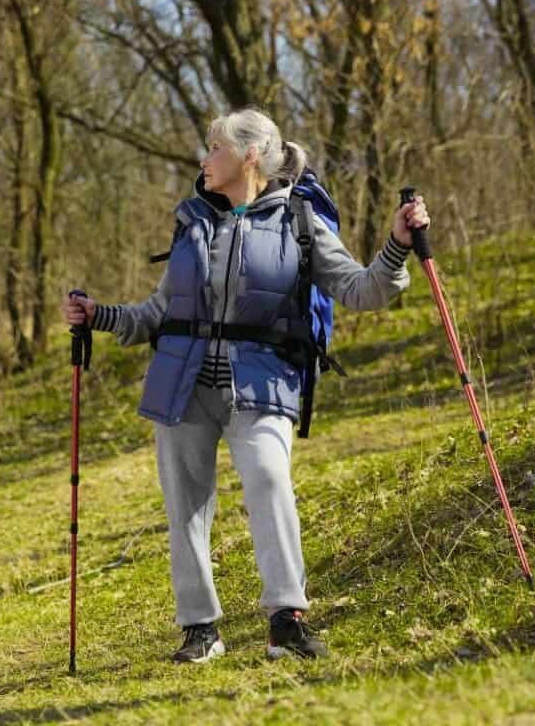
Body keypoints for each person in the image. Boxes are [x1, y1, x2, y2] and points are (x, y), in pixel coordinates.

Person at [62, 108, 430, 663]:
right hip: (183, 386)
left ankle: (287, 619)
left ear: (249, 155)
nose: (204, 159)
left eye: (214, 148)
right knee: (185, 508)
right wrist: (100, 316)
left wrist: (398, 244)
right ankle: (200, 629)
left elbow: (363, 289)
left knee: (268, 480)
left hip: (261, 383)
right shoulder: (193, 222)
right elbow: (159, 311)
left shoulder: (301, 223)